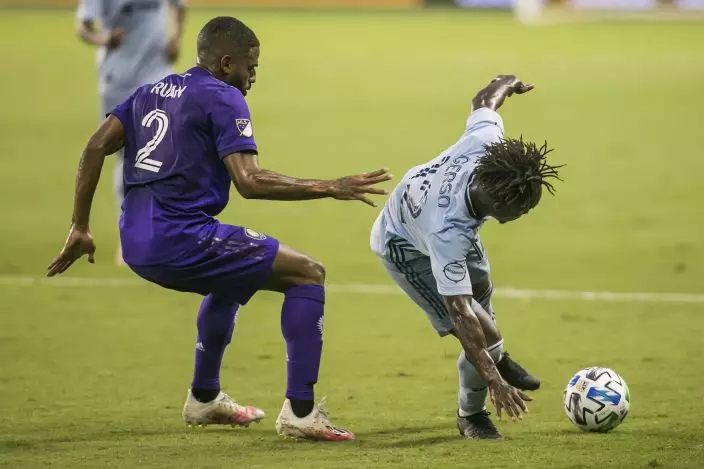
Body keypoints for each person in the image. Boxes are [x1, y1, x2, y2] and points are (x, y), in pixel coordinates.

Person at [48, 16, 392, 442]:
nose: (253, 76)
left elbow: (95, 144)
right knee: (308, 273)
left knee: (233, 276)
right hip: (180, 239)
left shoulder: (150, 91)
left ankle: (204, 398)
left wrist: (80, 225)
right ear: (227, 63)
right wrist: (330, 186)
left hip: (135, 241)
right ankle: (301, 413)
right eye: (251, 66)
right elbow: (250, 181)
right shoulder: (223, 97)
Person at [370, 75, 562, 440]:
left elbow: (485, 100)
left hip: (436, 216)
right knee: (480, 332)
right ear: (499, 203)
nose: (522, 214)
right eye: (520, 209)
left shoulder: (489, 145)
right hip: (405, 247)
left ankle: (497, 355)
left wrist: (508, 83)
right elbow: (460, 313)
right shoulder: (448, 234)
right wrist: (494, 380)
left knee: (482, 290)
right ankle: (470, 415)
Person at [76, 0, 187, 265]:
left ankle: (157, 234)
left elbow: (180, 6)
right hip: (117, 77)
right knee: (127, 157)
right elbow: (83, 27)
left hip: (156, 72)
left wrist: (176, 37)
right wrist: (104, 39)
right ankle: (129, 234)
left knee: (159, 153)